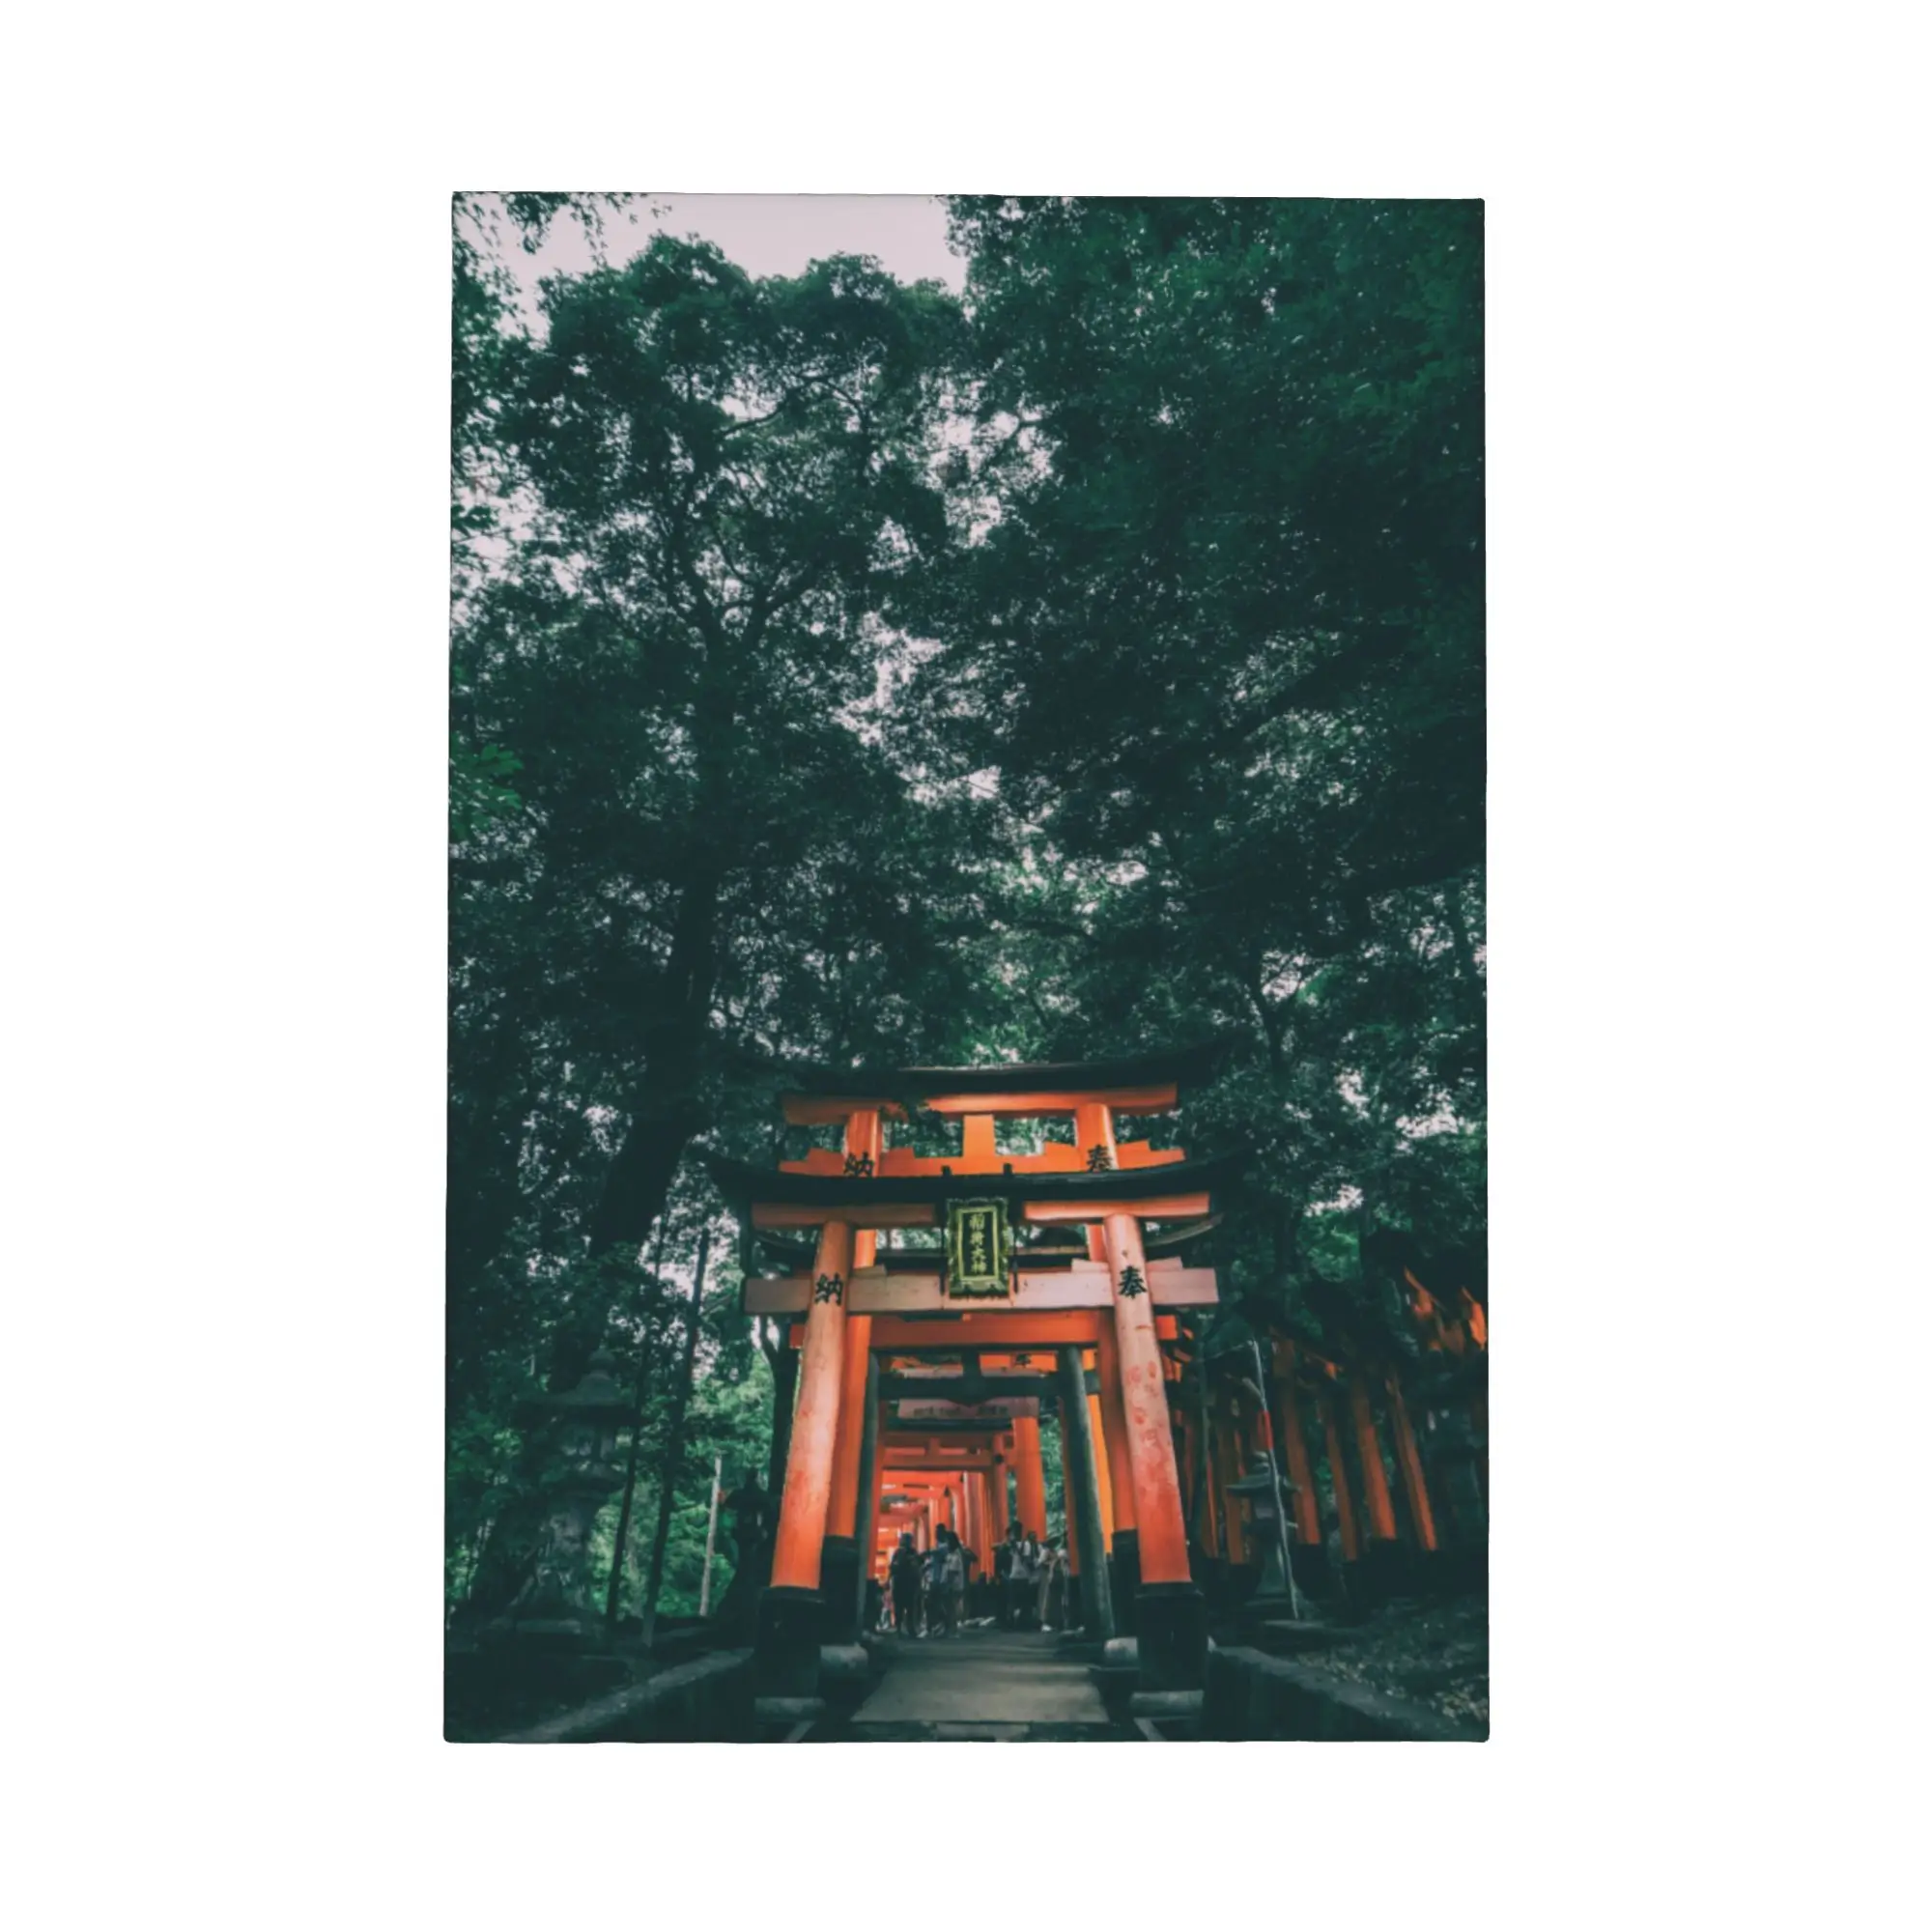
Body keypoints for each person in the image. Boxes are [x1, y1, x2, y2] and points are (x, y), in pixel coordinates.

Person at [889, 1532, 923, 1636]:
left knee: (909, 1607)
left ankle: (908, 1628)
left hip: (907, 1583)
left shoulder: (911, 1553)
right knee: (901, 1607)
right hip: (903, 1583)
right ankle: (901, 1628)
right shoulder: (901, 1553)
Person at [1038, 1536, 1068, 1632]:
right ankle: (1047, 1620)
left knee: (1057, 1601)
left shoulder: (1057, 1552)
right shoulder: (1046, 1552)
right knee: (1048, 1599)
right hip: (1049, 1576)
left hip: (1057, 1576)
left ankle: (1058, 1621)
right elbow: (1042, 1563)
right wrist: (1051, 1562)